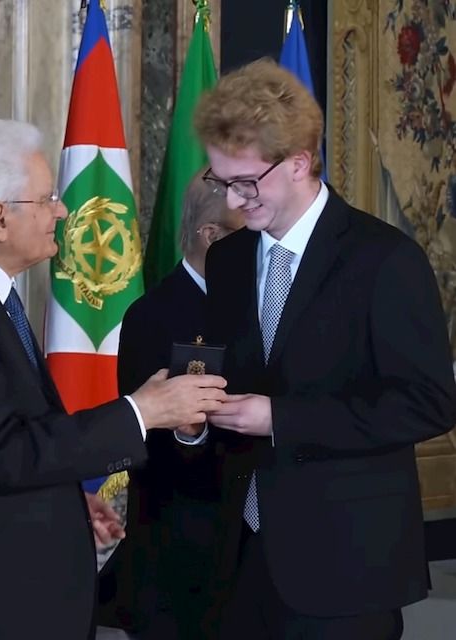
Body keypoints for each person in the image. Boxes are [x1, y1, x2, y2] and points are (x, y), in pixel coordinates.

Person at [0, 118, 227, 640]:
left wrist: (65, 499)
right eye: (46, 199)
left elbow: (0, 437)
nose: (63, 211)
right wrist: (144, 411)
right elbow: (1, 450)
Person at [192, 58, 456, 640]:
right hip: (240, 555)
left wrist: (281, 418)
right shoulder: (229, 260)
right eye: (221, 182)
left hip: (347, 563)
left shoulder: (384, 260)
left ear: (299, 164)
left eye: (246, 183)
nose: (234, 203)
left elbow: (429, 403)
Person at [98, 172, 243, 638]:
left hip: (252, 543)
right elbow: (138, 434)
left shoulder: (259, 301)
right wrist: (189, 428)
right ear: (212, 235)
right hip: (177, 542)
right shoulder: (150, 316)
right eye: (249, 231)